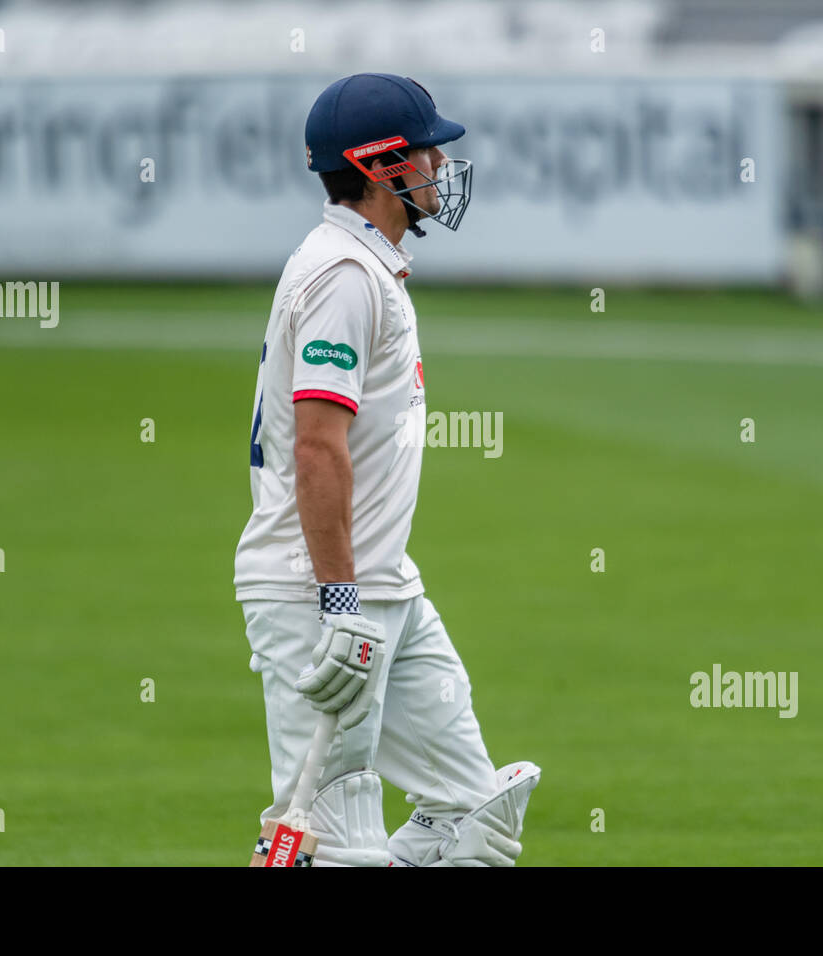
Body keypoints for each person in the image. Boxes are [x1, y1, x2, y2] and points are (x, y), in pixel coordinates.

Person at [235, 73, 539, 866]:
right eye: (425, 151)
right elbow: (316, 445)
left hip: (385, 587)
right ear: (379, 169)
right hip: (318, 593)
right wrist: (337, 601)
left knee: (476, 823)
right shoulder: (341, 277)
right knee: (331, 846)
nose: (440, 165)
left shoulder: (369, 268)